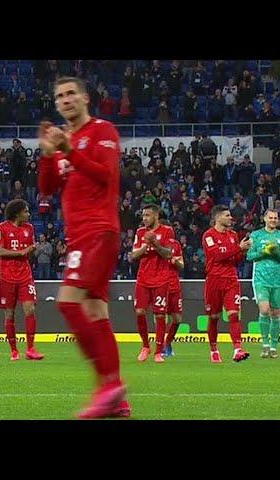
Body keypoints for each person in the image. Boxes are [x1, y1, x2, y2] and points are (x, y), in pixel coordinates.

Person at [38, 76, 128, 419]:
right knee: (95, 312)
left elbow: (105, 175)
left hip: (98, 231)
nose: (65, 100)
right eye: (59, 96)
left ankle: (107, 387)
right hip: (79, 236)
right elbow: (47, 190)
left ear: (85, 98)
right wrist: (49, 154)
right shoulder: (65, 140)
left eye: (71, 93)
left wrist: (67, 150)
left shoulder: (103, 131)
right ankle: (116, 396)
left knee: (68, 302)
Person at [0, 199, 43, 361]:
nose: (29, 214)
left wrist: (31, 251)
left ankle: (31, 348)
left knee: (30, 309)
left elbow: (29, 251)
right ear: (17, 213)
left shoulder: (29, 228)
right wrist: (21, 253)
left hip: (25, 276)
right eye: (26, 211)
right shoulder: (1, 228)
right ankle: (14, 350)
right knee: (10, 314)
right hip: (7, 277)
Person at [202, 205, 252, 363]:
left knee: (233, 314)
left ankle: (237, 349)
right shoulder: (208, 235)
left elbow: (235, 260)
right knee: (214, 317)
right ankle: (214, 350)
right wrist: (238, 248)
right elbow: (216, 256)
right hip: (214, 280)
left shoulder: (233, 235)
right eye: (227, 215)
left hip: (231, 279)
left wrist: (242, 252)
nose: (231, 218)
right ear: (217, 218)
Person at [246, 209, 280, 359]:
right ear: (264, 218)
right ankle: (265, 345)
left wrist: (277, 253)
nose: (273, 220)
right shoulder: (256, 235)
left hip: (277, 281)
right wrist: (264, 253)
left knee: (276, 314)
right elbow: (249, 256)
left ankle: (273, 348)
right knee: (264, 310)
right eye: (270, 217)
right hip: (260, 280)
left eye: (275, 218)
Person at [130, 204, 174, 362]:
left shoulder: (167, 231)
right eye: (143, 216)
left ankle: (158, 352)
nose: (144, 219)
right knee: (140, 312)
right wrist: (145, 246)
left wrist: (155, 243)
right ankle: (145, 346)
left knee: (160, 314)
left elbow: (169, 254)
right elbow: (133, 255)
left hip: (161, 278)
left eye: (147, 216)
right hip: (143, 278)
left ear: (155, 216)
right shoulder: (140, 232)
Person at [162, 225, 184, 358]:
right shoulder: (154, 244)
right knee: (160, 317)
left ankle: (168, 342)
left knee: (177, 318)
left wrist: (175, 261)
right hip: (160, 284)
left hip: (174, 285)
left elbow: (182, 265)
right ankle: (160, 346)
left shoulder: (175, 245)